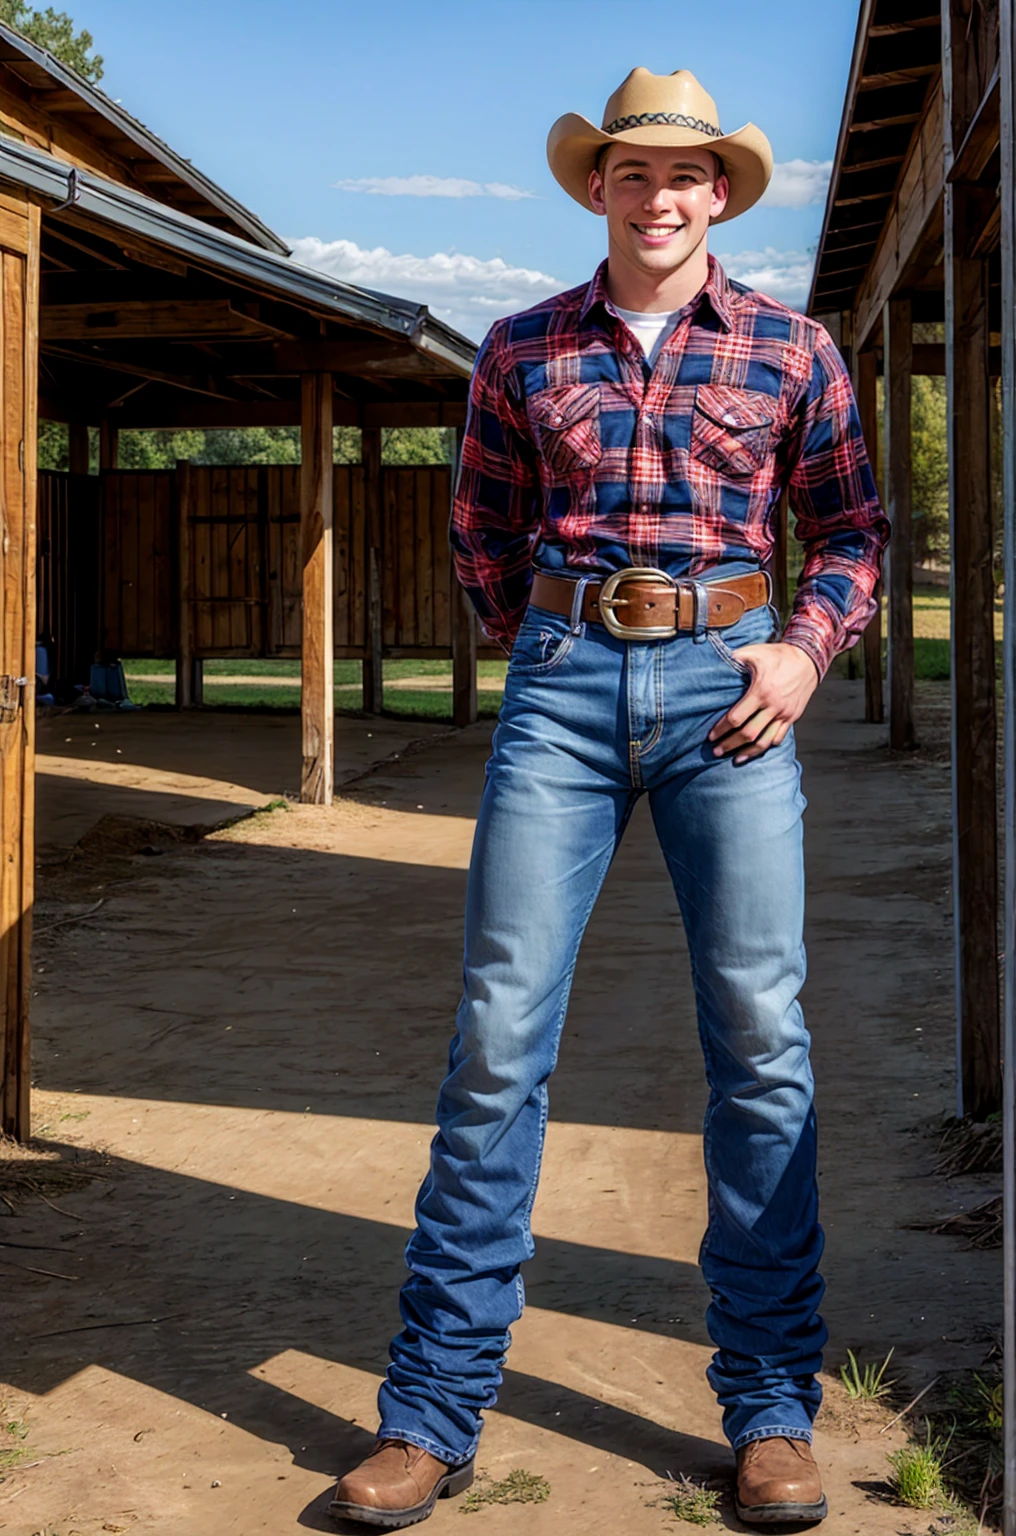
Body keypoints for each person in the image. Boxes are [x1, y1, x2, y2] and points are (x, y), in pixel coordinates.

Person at [330, 67, 889, 1530]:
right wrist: (564, 645)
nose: (660, 198)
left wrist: (802, 648)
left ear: (722, 193)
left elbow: (851, 531)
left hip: (736, 698)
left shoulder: (792, 347)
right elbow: (481, 535)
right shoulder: (521, 349)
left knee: (761, 1035)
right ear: (597, 189)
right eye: (634, 173)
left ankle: (770, 1410)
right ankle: (433, 1413)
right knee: (498, 1037)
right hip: (568, 691)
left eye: (687, 176)